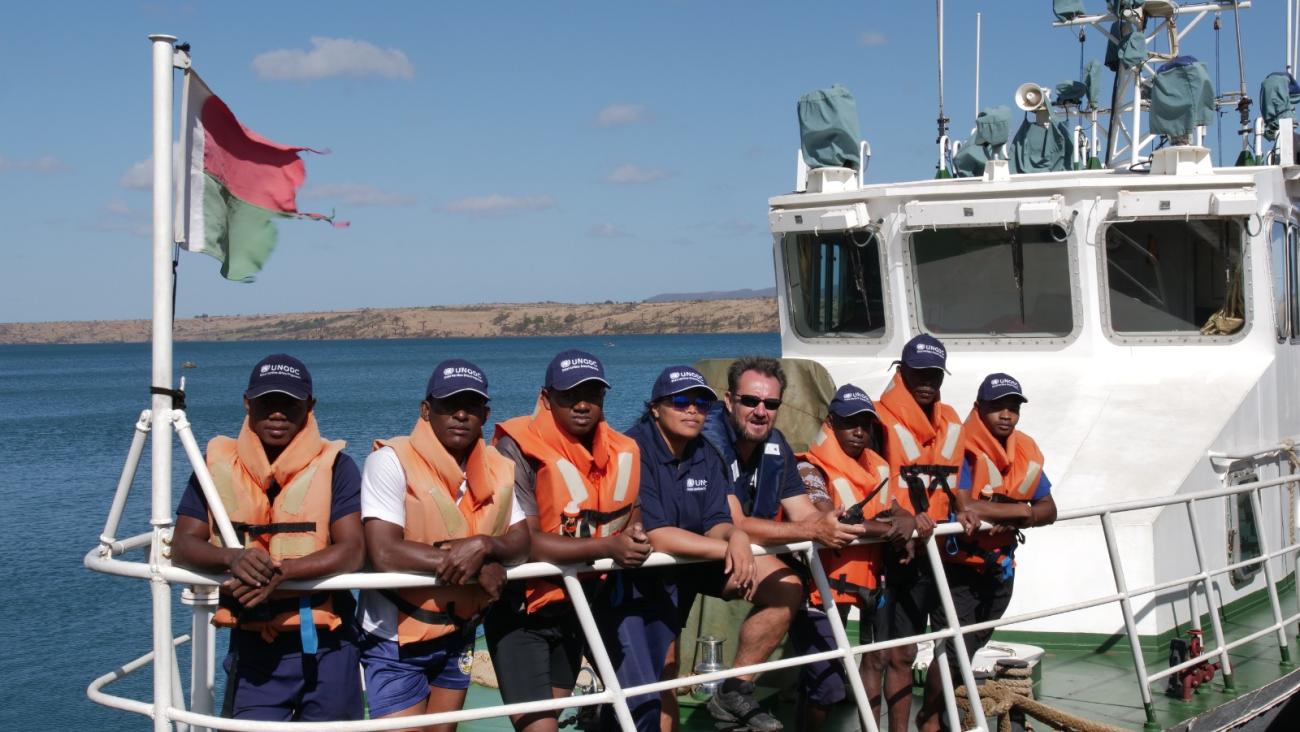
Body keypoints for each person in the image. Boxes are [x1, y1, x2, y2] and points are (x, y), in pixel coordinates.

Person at [171, 354, 365, 722]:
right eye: (267, 402)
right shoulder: (215, 468)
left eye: (290, 404)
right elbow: (183, 544)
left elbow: (353, 549)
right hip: (254, 644)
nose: (278, 413)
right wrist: (234, 558)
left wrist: (283, 573)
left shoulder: (338, 467)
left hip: (330, 645)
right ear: (247, 402)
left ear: (310, 406)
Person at [698, 356, 869, 732]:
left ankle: (735, 689)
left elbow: (803, 514)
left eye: (771, 404)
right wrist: (813, 531)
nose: (761, 411)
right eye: (751, 402)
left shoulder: (776, 447)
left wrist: (831, 523)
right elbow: (735, 522)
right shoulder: (707, 443)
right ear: (729, 401)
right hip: (680, 553)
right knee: (653, 675)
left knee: (788, 589)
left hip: (731, 555)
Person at [358, 359, 530, 732]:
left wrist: (483, 545)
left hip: (458, 632)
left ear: (485, 414)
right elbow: (384, 551)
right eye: (449, 405)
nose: (461, 415)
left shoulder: (498, 468)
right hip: (396, 636)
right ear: (426, 410)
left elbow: (520, 541)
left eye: (471, 406)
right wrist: (474, 565)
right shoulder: (389, 462)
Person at [486, 349, 651, 732]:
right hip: (522, 612)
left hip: (577, 607)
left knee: (553, 718)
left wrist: (635, 536)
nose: (582, 404)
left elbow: (631, 513)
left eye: (592, 394)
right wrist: (609, 548)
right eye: (569, 395)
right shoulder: (516, 448)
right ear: (546, 399)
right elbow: (525, 540)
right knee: (538, 727)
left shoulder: (622, 450)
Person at [916, 374, 1056, 732]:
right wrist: (1023, 512)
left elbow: (1049, 508)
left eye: (1013, 407)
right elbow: (966, 502)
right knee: (953, 650)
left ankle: (944, 711)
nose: (1006, 414)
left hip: (1000, 568)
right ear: (979, 408)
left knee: (973, 644)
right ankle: (931, 718)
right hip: (959, 567)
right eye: (997, 407)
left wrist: (1016, 515)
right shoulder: (961, 447)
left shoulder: (1025, 449)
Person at [627, 366, 758, 731]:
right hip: (630, 581)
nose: (692, 410)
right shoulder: (633, 449)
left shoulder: (706, 453)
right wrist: (730, 550)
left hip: (681, 571)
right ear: (655, 407)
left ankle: (738, 688)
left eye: (702, 403)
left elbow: (717, 520)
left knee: (667, 666)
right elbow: (656, 533)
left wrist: (737, 537)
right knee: (654, 671)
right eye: (681, 401)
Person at [792, 384, 918, 731]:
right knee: (825, 680)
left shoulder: (877, 467)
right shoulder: (809, 469)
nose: (860, 431)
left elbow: (897, 510)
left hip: (860, 582)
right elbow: (826, 515)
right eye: (850, 423)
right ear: (831, 423)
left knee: (872, 657)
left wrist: (904, 520)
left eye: (865, 423)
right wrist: (890, 529)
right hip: (814, 588)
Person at [874, 334, 977, 732]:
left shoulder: (950, 420)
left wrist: (965, 507)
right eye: (918, 372)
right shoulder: (879, 418)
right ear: (902, 371)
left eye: (934, 373)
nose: (927, 381)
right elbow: (872, 478)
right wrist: (902, 516)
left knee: (951, 642)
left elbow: (960, 478)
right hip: (900, 552)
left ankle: (930, 720)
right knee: (900, 653)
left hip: (946, 550)